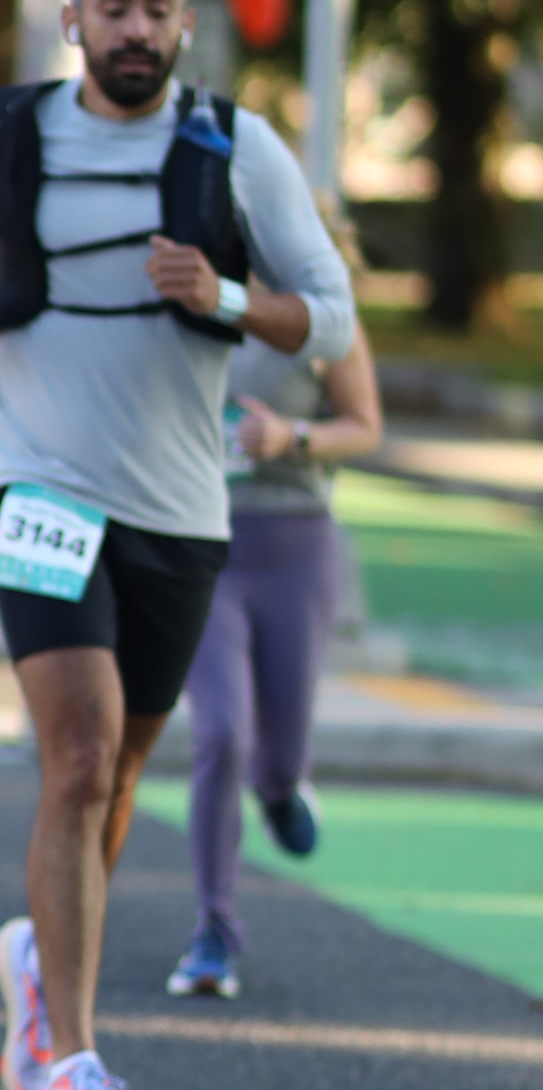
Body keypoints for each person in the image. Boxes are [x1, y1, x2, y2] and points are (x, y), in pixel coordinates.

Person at [0, 0, 355, 1090]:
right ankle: (72, 1063)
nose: (136, 28)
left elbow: (328, 317)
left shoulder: (235, 146)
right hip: (38, 484)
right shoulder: (9, 129)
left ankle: (36, 972)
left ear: (186, 23)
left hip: (180, 509)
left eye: (158, 7)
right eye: (114, 7)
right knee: (81, 752)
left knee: (118, 771)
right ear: (73, 20)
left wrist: (221, 295)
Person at [168, 321, 381, 997]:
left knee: (281, 752)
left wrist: (294, 437)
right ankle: (214, 929)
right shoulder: (179, 298)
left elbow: (365, 425)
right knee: (221, 730)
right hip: (203, 545)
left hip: (297, 549)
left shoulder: (322, 313)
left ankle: (281, 788)